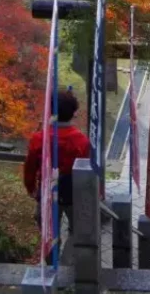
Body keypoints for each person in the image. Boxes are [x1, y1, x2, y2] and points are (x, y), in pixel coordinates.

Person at [23, 88, 92, 255]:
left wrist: (31, 187)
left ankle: (51, 260)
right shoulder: (81, 141)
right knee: (77, 228)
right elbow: (87, 168)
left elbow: (30, 166)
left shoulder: (39, 139)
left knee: (48, 231)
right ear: (73, 113)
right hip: (74, 191)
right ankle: (70, 258)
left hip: (48, 189)